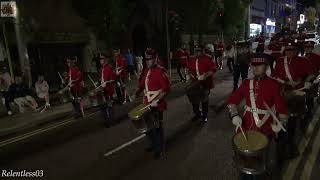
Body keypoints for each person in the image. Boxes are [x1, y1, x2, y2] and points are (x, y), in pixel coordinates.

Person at [228, 53, 288, 179]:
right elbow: (232, 101)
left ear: (266, 67)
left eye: (259, 65)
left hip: (265, 129)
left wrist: (280, 123)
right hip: (245, 127)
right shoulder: (246, 83)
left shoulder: (274, 85)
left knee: (260, 165)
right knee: (245, 163)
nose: (255, 68)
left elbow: (282, 109)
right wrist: (234, 115)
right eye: (253, 65)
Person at [271, 42, 316, 159]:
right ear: (285, 51)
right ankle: (281, 141)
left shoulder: (303, 61)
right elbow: (274, 76)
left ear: (296, 51)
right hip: (282, 93)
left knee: (292, 120)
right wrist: (284, 82)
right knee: (281, 117)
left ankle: (291, 143)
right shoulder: (280, 61)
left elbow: (312, 73)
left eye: (292, 50)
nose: (289, 52)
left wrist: (306, 81)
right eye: (287, 50)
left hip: (297, 93)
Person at [135, 48, 171, 158]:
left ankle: (159, 148)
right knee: (147, 127)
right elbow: (142, 85)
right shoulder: (146, 71)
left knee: (157, 127)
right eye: (146, 59)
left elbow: (166, 89)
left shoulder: (161, 71)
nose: (147, 61)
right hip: (147, 103)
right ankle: (153, 143)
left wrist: (157, 100)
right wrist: (136, 92)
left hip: (157, 104)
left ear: (155, 58)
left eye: (149, 59)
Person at [186, 46, 216, 123]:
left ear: (203, 51)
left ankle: (205, 116)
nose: (197, 52)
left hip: (205, 82)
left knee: (204, 100)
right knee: (194, 100)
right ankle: (198, 114)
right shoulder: (192, 59)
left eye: (199, 50)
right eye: (196, 51)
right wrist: (189, 76)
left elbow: (213, 69)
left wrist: (205, 75)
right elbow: (188, 69)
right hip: (195, 82)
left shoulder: (208, 58)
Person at [99, 52, 116, 128]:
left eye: (102, 58)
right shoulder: (102, 68)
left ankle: (111, 121)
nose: (100, 60)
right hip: (103, 90)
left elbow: (113, 79)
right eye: (100, 58)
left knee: (109, 106)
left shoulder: (109, 68)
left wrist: (106, 82)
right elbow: (103, 78)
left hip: (108, 90)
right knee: (103, 107)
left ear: (106, 59)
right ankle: (107, 120)